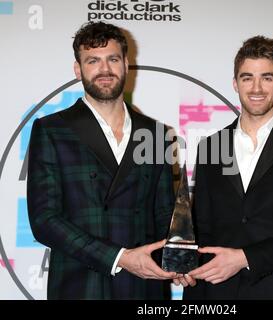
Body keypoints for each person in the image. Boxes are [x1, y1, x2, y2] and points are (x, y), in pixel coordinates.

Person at [27, 21, 177, 300]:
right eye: (93, 60)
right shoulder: (52, 129)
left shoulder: (156, 134)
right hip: (80, 286)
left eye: (113, 59)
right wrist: (119, 257)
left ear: (126, 64)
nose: (104, 69)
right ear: (78, 69)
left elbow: (165, 215)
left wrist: (178, 258)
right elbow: (43, 220)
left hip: (144, 288)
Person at [183, 36, 273, 299]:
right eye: (247, 77)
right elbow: (202, 227)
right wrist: (187, 264)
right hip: (218, 291)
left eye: (267, 77)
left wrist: (245, 258)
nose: (257, 88)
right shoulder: (211, 146)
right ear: (235, 83)